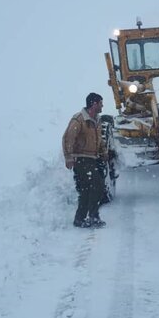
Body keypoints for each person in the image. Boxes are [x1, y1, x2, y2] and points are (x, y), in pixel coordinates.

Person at [62, 93, 108, 228]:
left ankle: (80, 218)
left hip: (93, 158)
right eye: (101, 103)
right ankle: (92, 216)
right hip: (81, 158)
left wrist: (103, 151)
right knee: (98, 186)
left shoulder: (97, 120)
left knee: (86, 190)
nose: (102, 106)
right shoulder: (79, 119)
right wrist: (69, 157)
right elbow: (68, 138)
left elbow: (99, 139)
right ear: (94, 104)